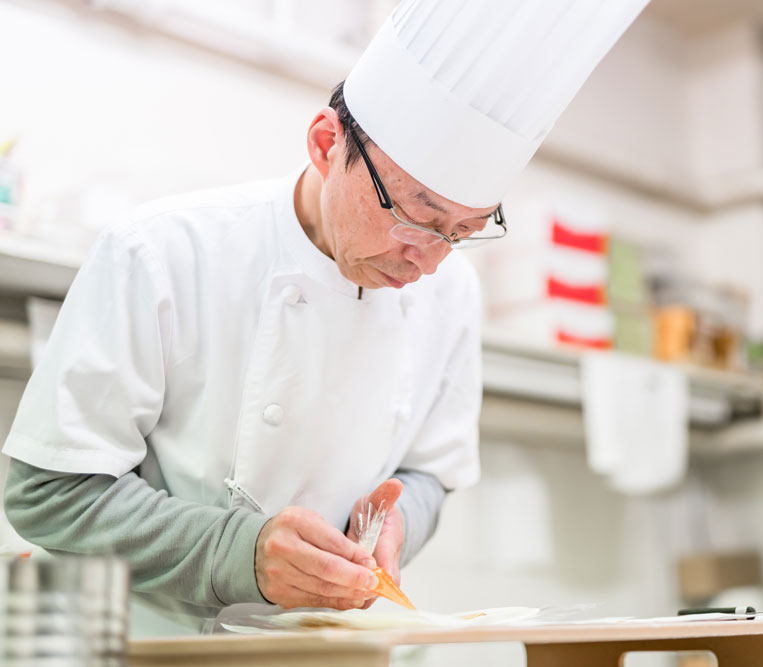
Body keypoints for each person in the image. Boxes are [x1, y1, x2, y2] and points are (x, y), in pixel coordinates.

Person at [2, 0, 649, 632]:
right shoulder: (162, 252)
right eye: (414, 214)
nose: (424, 263)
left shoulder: (454, 292)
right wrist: (240, 551)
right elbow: (46, 494)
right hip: (163, 648)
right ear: (324, 143)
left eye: (461, 230)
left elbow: (429, 473)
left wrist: (400, 523)